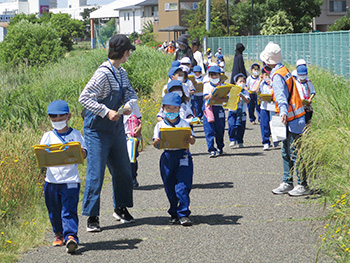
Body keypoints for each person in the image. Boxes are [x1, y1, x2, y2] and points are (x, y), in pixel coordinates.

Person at [79, 34, 138, 232]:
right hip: (97, 130)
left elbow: (130, 92)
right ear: (124, 53)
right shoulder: (103, 73)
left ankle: (120, 208)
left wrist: (128, 105)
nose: (130, 54)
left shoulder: (121, 72)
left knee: (123, 169)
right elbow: (84, 97)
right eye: (129, 51)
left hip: (115, 127)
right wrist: (106, 111)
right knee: (96, 174)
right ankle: (92, 217)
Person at [259, 42, 310, 196]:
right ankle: (287, 181)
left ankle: (302, 184)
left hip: (290, 118)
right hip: (293, 117)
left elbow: (281, 97)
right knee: (286, 151)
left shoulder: (277, 75)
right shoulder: (283, 70)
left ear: (267, 61)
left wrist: (282, 112)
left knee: (293, 152)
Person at [40, 100, 87, 253]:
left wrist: (80, 152)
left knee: (69, 209)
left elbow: (84, 153)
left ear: (69, 116)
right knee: (54, 209)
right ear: (49, 118)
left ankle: (71, 236)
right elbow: (41, 156)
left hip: (70, 180)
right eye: (54, 117)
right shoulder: (47, 136)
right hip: (52, 181)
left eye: (62, 117)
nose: (58, 120)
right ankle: (58, 233)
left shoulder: (75, 134)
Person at [153, 92, 196, 226]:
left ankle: (183, 213)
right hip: (167, 157)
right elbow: (156, 144)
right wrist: (157, 141)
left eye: (174, 108)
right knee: (169, 186)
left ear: (179, 109)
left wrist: (190, 139)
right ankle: (173, 212)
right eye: (168, 108)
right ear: (163, 109)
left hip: (183, 155)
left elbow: (193, 140)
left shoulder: (184, 123)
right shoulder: (160, 126)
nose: (171, 111)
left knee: (183, 186)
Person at [203, 65, 228, 158]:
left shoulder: (223, 86)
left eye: (216, 75)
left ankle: (220, 147)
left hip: (219, 109)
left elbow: (226, 99)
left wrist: (219, 98)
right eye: (212, 75)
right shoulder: (206, 85)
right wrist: (211, 95)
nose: (214, 77)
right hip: (209, 109)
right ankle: (211, 149)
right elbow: (205, 97)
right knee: (209, 130)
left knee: (220, 129)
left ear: (220, 76)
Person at [252, 67, 277, 151]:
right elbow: (255, 90)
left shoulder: (274, 83)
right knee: (264, 124)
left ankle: (275, 139)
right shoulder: (262, 83)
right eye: (266, 75)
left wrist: (271, 84)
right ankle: (266, 142)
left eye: (269, 75)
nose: (267, 76)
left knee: (273, 124)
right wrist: (260, 80)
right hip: (264, 106)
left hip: (273, 107)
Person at [228, 73, 250, 148]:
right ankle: (232, 139)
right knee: (232, 126)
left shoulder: (245, 92)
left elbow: (247, 100)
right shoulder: (231, 90)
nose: (242, 83)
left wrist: (242, 96)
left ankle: (240, 141)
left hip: (242, 113)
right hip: (232, 111)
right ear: (236, 83)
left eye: (243, 82)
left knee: (241, 127)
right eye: (240, 81)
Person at [124, 101, 142, 188]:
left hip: (130, 135)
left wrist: (139, 128)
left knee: (132, 158)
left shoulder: (132, 102)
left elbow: (139, 119)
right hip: (116, 135)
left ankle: (133, 178)